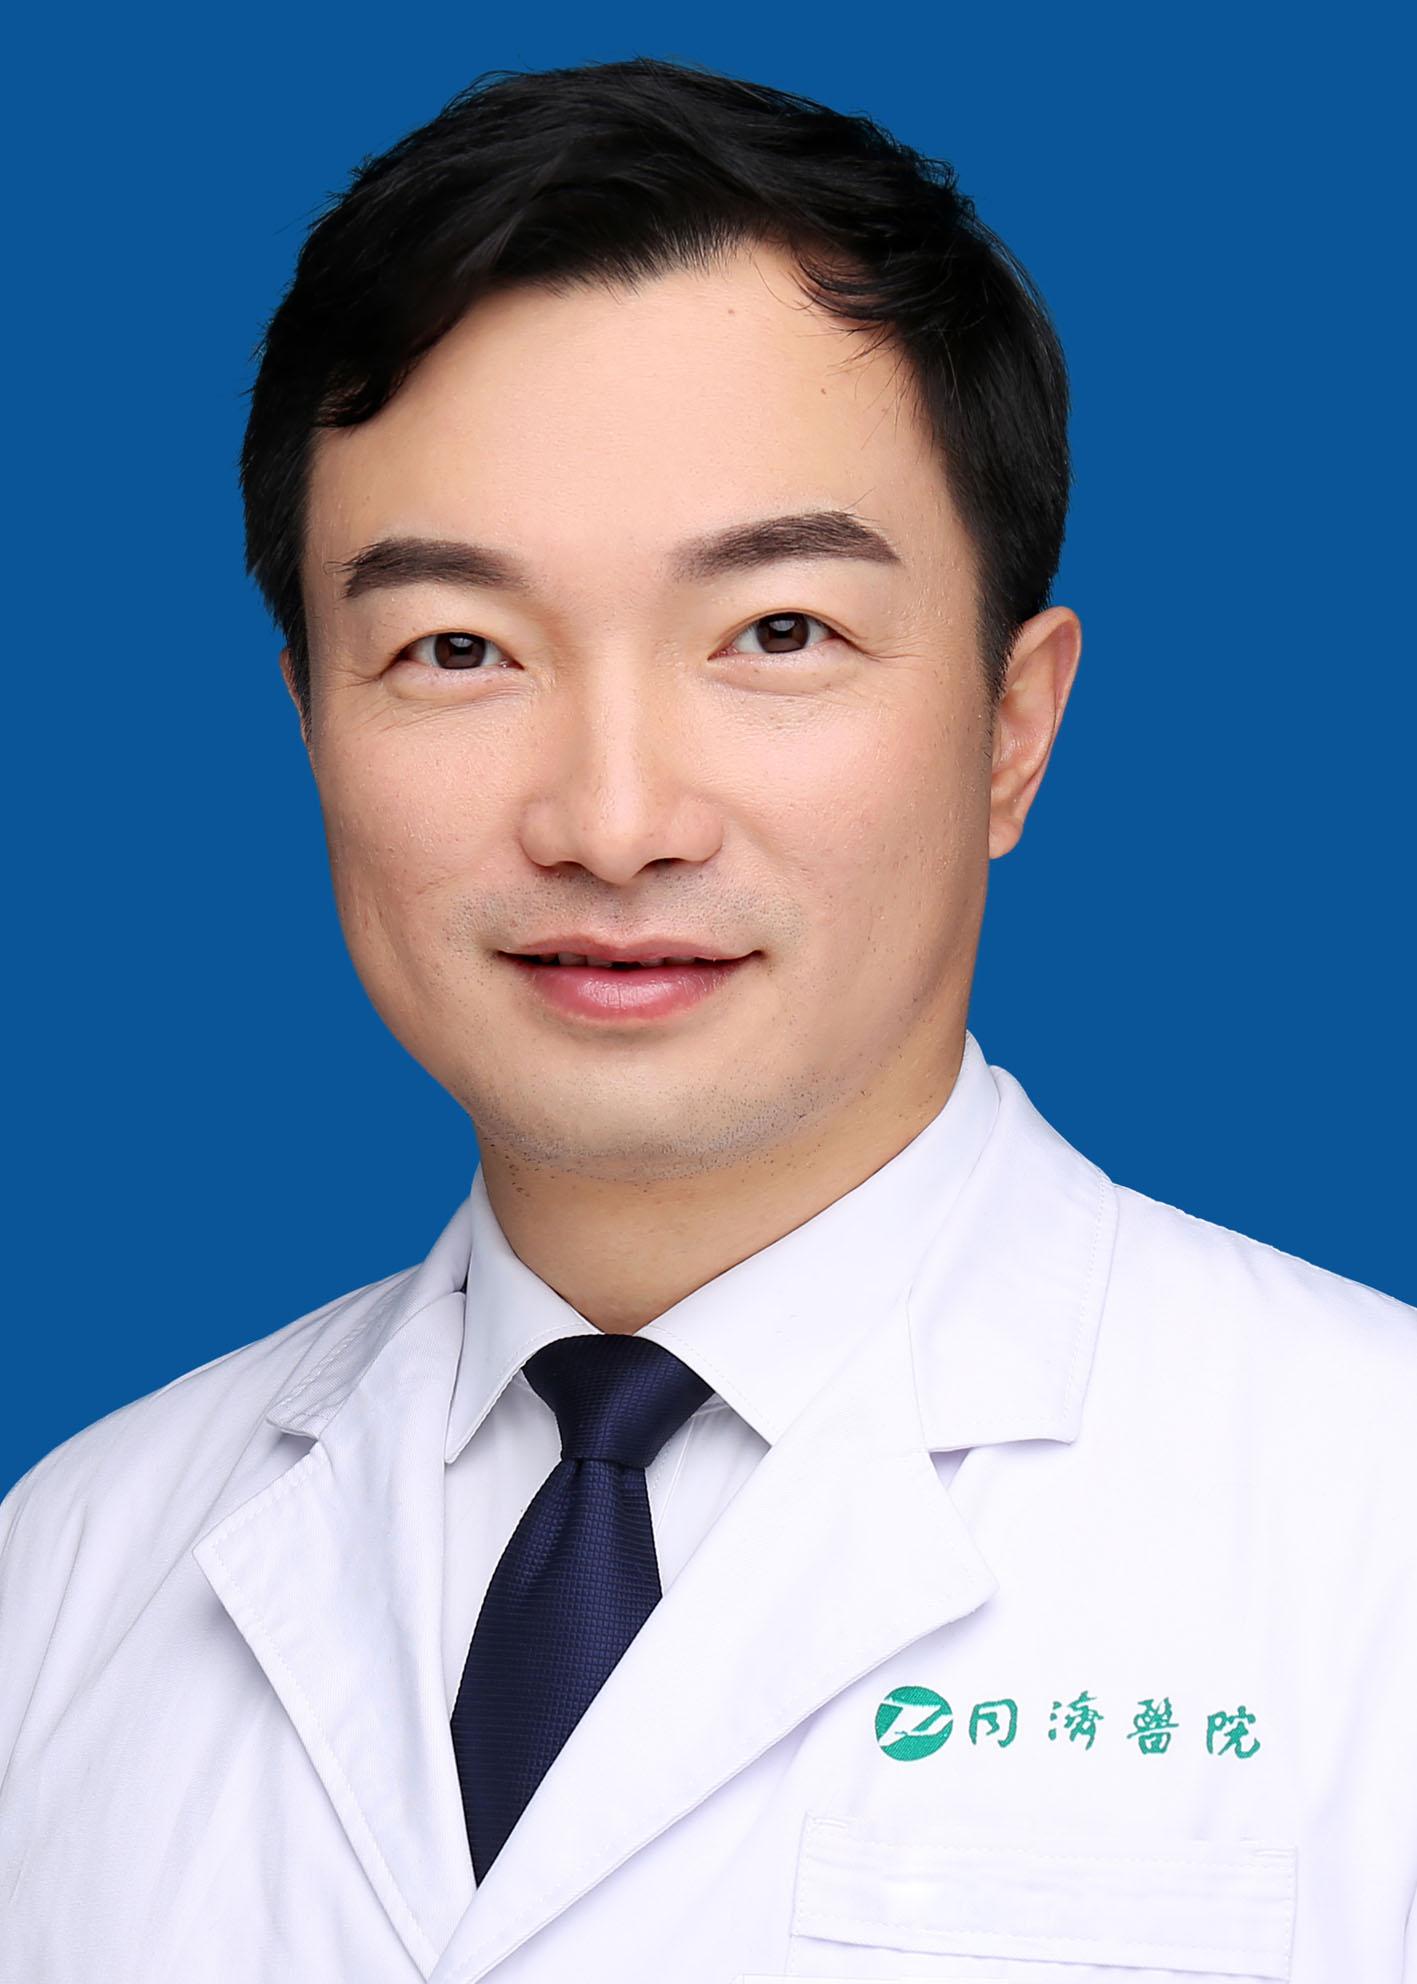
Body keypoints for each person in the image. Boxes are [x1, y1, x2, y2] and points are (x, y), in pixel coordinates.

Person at [0, 53, 1412, 1984]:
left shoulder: (1368, 1519)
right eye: (456, 649)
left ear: (1013, 727)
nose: (612, 822)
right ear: (310, 721)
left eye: (776, 634)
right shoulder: (71, 1568)